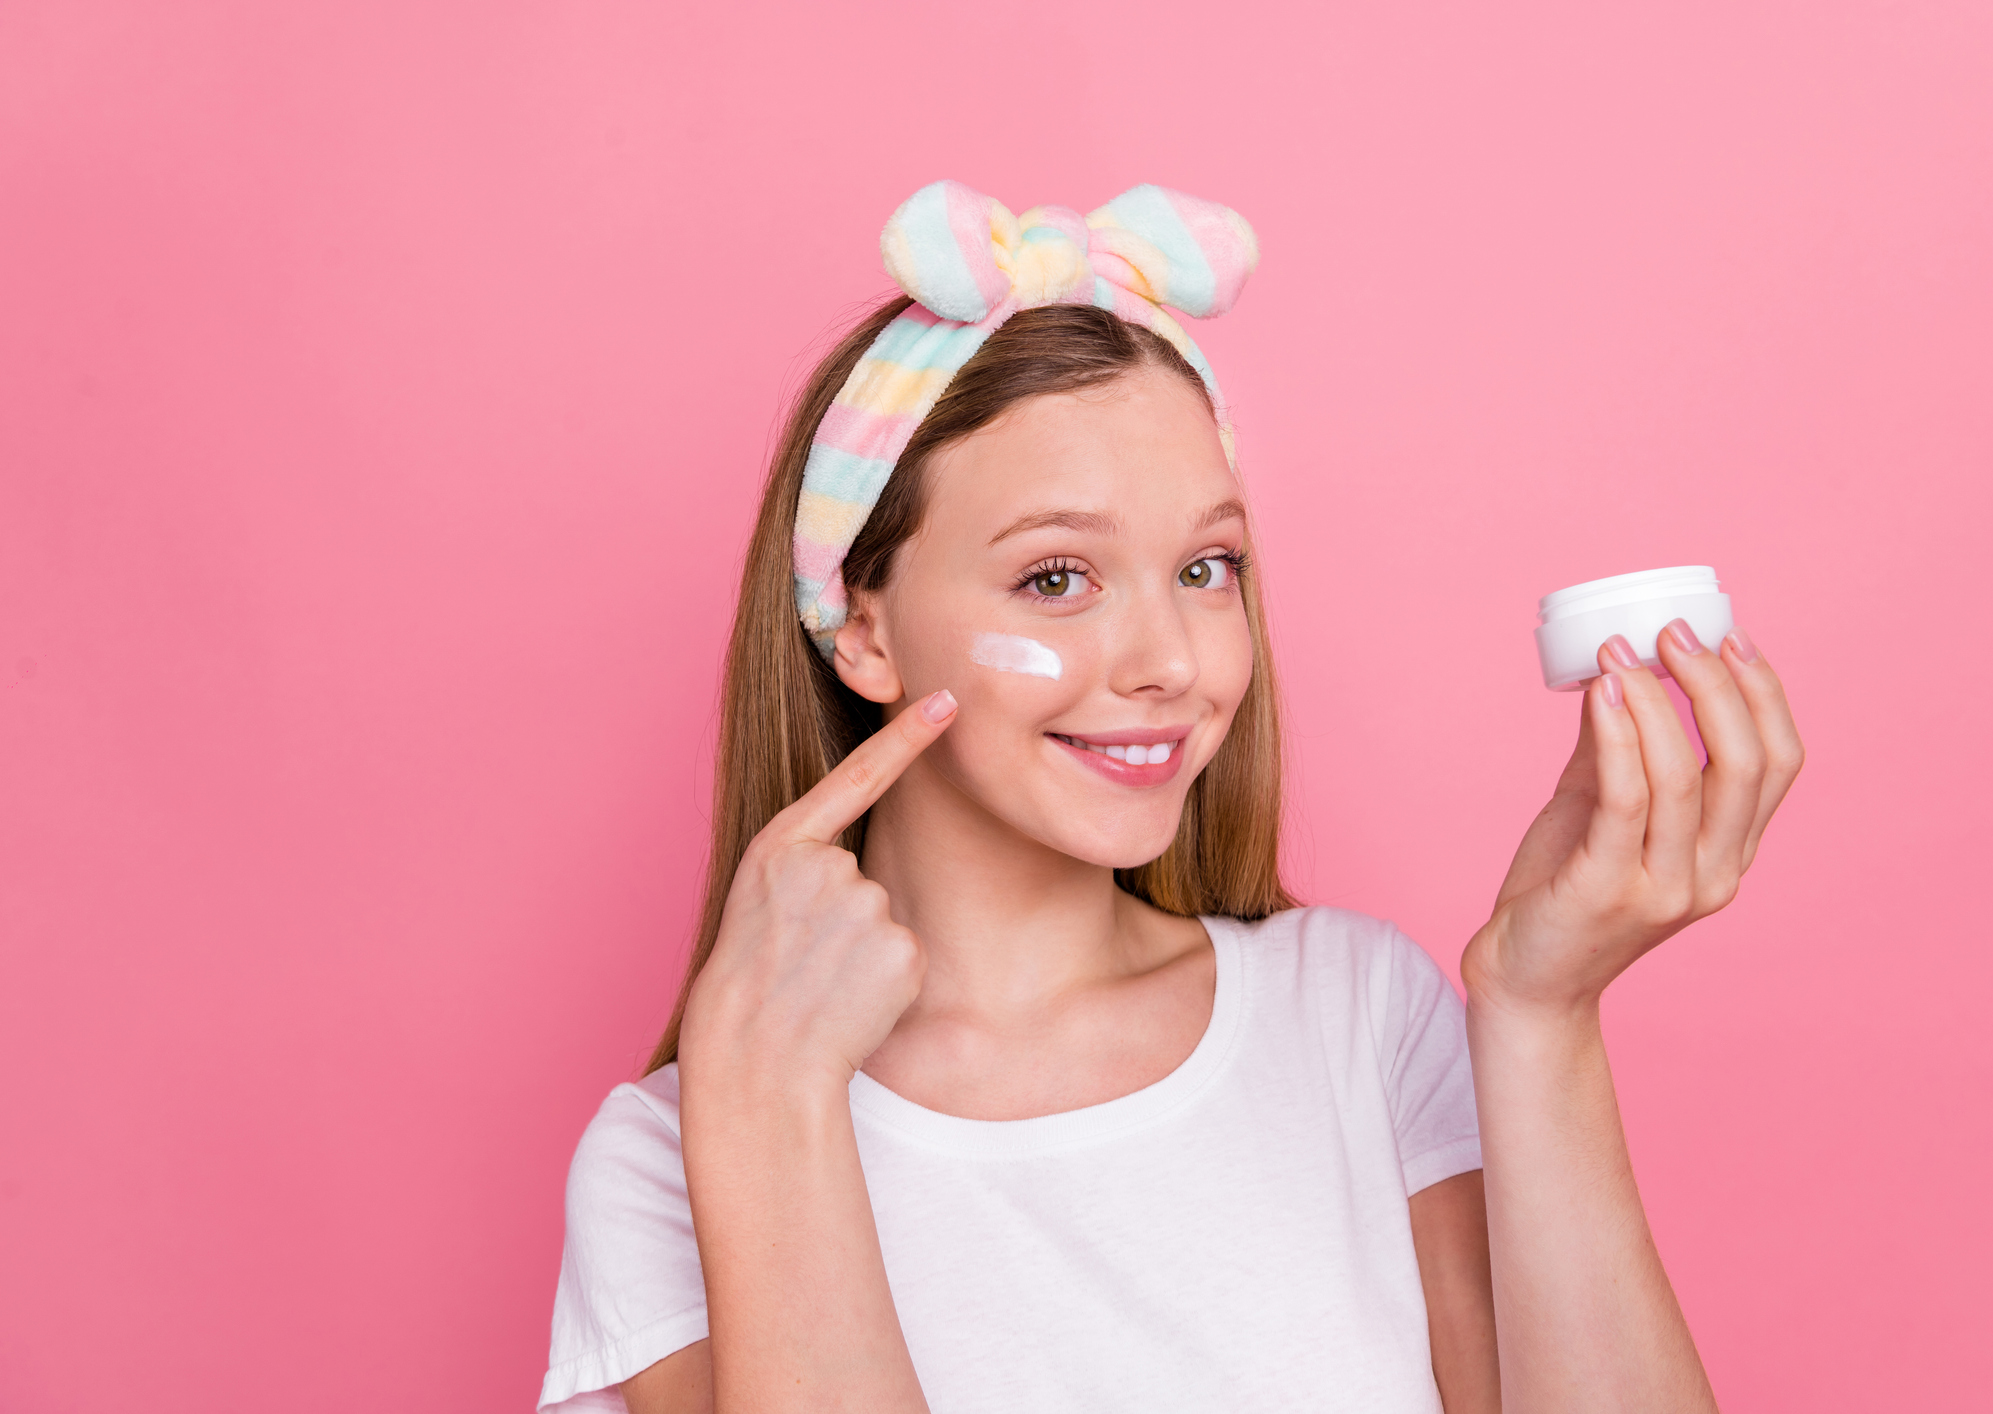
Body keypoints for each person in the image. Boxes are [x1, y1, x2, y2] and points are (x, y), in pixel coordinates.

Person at [537, 182, 1803, 1414]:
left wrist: (1542, 1012)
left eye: (1206, 567)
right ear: (860, 630)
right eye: (1056, 578)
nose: (1174, 663)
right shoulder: (675, 1156)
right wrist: (770, 1103)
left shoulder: (1356, 1016)